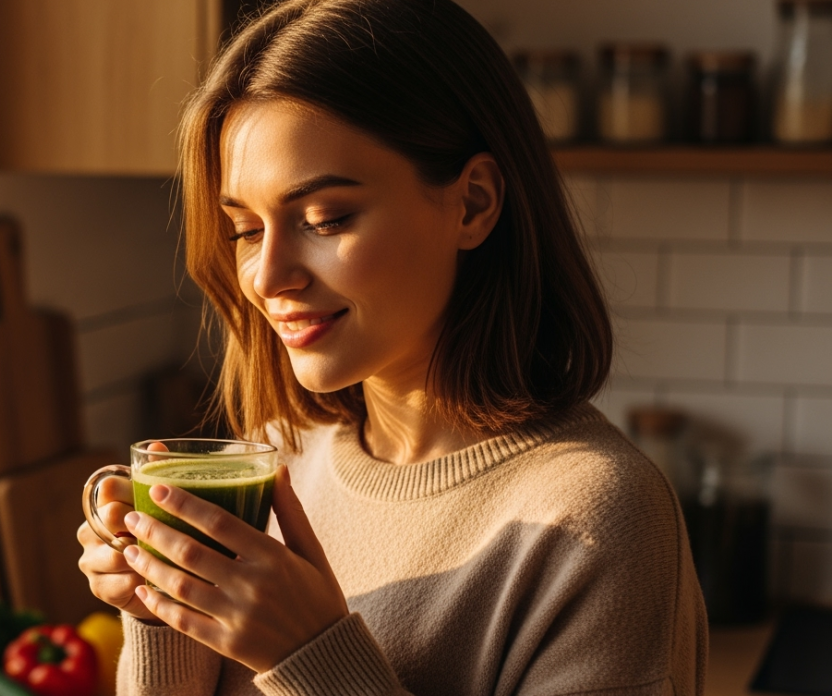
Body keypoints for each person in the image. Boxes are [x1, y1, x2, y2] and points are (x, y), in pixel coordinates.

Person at [76, 0, 707, 694]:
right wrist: (162, 609)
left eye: (326, 218)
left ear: (472, 204)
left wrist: (312, 653)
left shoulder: (600, 518)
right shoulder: (277, 459)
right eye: (247, 229)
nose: (266, 275)